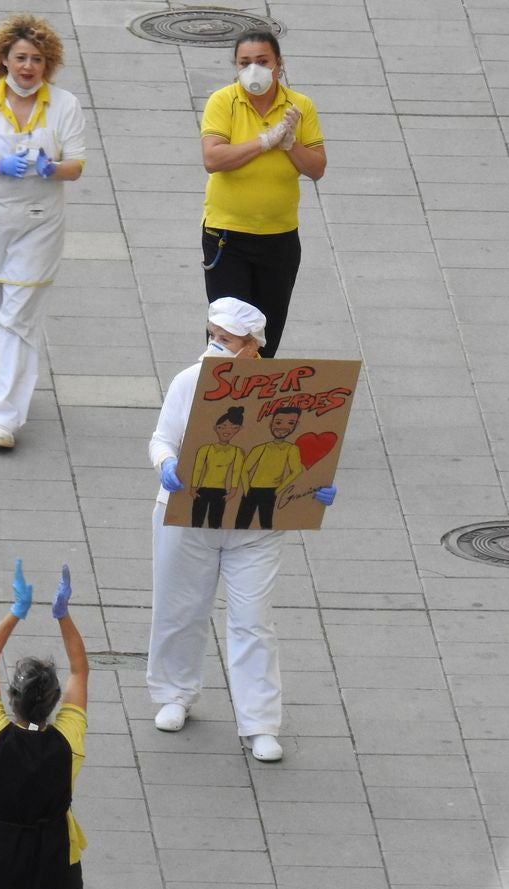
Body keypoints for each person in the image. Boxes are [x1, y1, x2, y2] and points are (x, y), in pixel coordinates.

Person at [148, 298, 335, 762]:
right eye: (212, 334)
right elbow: (162, 438)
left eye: (226, 339)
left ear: (253, 346)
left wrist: (316, 489)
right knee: (179, 608)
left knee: (253, 620)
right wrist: (166, 463)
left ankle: (260, 722)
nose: (215, 345)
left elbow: (303, 450)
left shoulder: (282, 393)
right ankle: (175, 694)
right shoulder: (189, 381)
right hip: (191, 513)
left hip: (257, 523)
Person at [0, 13, 86, 450]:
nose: (28, 67)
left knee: (18, 319)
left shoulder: (64, 106)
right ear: (3, 59)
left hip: (37, 225)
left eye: (37, 60)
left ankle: (4, 419)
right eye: (21, 57)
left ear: (48, 65)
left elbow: (76, 165)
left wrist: (53, 168)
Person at [0, 561, 88, 889]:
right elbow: (80, 670)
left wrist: (17, 610)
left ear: (12, 698)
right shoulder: (67, 742)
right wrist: (63, 615)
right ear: (56, 701)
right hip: (53, 855)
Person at [200, 31, 326, 358]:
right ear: (236, 67)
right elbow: (213, 159)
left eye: (262, 61)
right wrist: (265, 141)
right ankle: (212, 403)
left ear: (278, 65)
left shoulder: (300, 106)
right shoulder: (223, 101)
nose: (253, 69)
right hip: (228, 236)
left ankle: (254, 404)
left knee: (265, 336)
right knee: (226, 334)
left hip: (279, 238)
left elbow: (316, 168)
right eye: (245, 63)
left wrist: (289, 143)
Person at [234, 406, 304, 529]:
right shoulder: (261, 448)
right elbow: (244, 469)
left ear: (296, 426)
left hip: (270, 490)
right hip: (252, 489)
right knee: (242, 522)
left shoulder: (291, 449)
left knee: (266, 523)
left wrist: (278, 490)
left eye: (290, 423)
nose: (282, 427)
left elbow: (297, 470)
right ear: (271, 423)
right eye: (278, 422)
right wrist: (246, 489)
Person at [191, 405, 246, 529]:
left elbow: (236, 472)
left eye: (233, 428)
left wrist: (233, 491)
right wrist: (193, 488)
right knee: (196, 521)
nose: (227, 431)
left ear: (239, 429)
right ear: (216, 428)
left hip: (220, 491)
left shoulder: (237, 451)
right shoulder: (205, 449)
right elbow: (198, 468)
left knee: (215, 523)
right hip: (203, 489)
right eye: (222, 427)